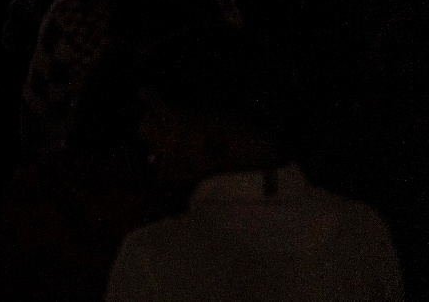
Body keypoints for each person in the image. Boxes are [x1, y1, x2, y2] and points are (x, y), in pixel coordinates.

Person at [106, 26, 405, 302]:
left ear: (211, 135)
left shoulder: (153, 257)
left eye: (158, 119)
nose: (144, 131)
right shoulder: (362, 231)